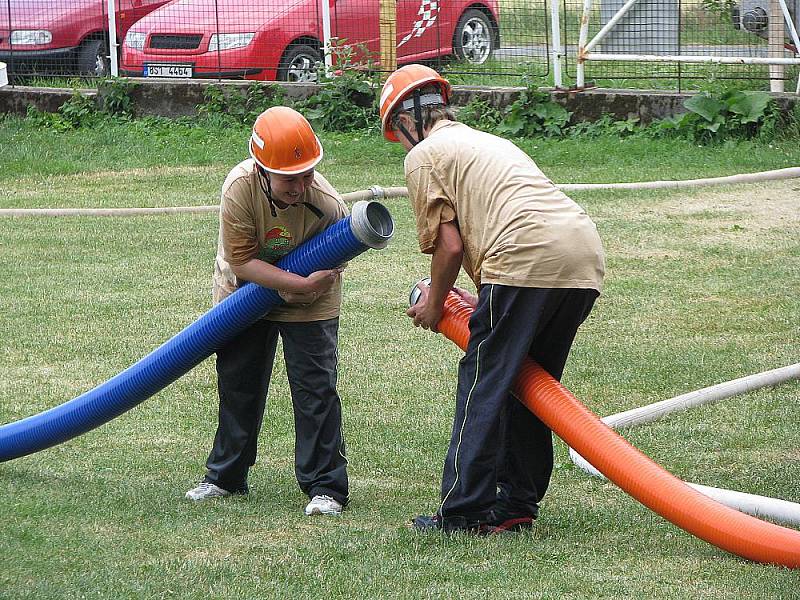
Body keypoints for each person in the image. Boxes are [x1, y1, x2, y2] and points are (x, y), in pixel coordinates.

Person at [380, 65, 605, 533]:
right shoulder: (485, 142)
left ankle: (463, 510)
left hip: (524, 260)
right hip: (581, 257)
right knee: (529, 385)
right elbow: (495, 217)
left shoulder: (424, 154)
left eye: (395, 134)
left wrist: (435, 302)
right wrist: (484, 295)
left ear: (407, 120)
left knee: (484, 378)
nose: (400, 145)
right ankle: (517, 504)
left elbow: (451, 244)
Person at [185, 106, 349, 517]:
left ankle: (326, 487)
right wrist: (294, 282)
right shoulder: (239, 189)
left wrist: (308, 288)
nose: (300, 186)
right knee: (239, 383)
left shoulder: (327, 204)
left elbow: (345, 249)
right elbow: (241, 262)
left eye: (307, 174)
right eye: (289, 178)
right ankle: (225, 477)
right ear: (262, 171)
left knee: (316, 390)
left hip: (312, 299)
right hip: (245, 292)